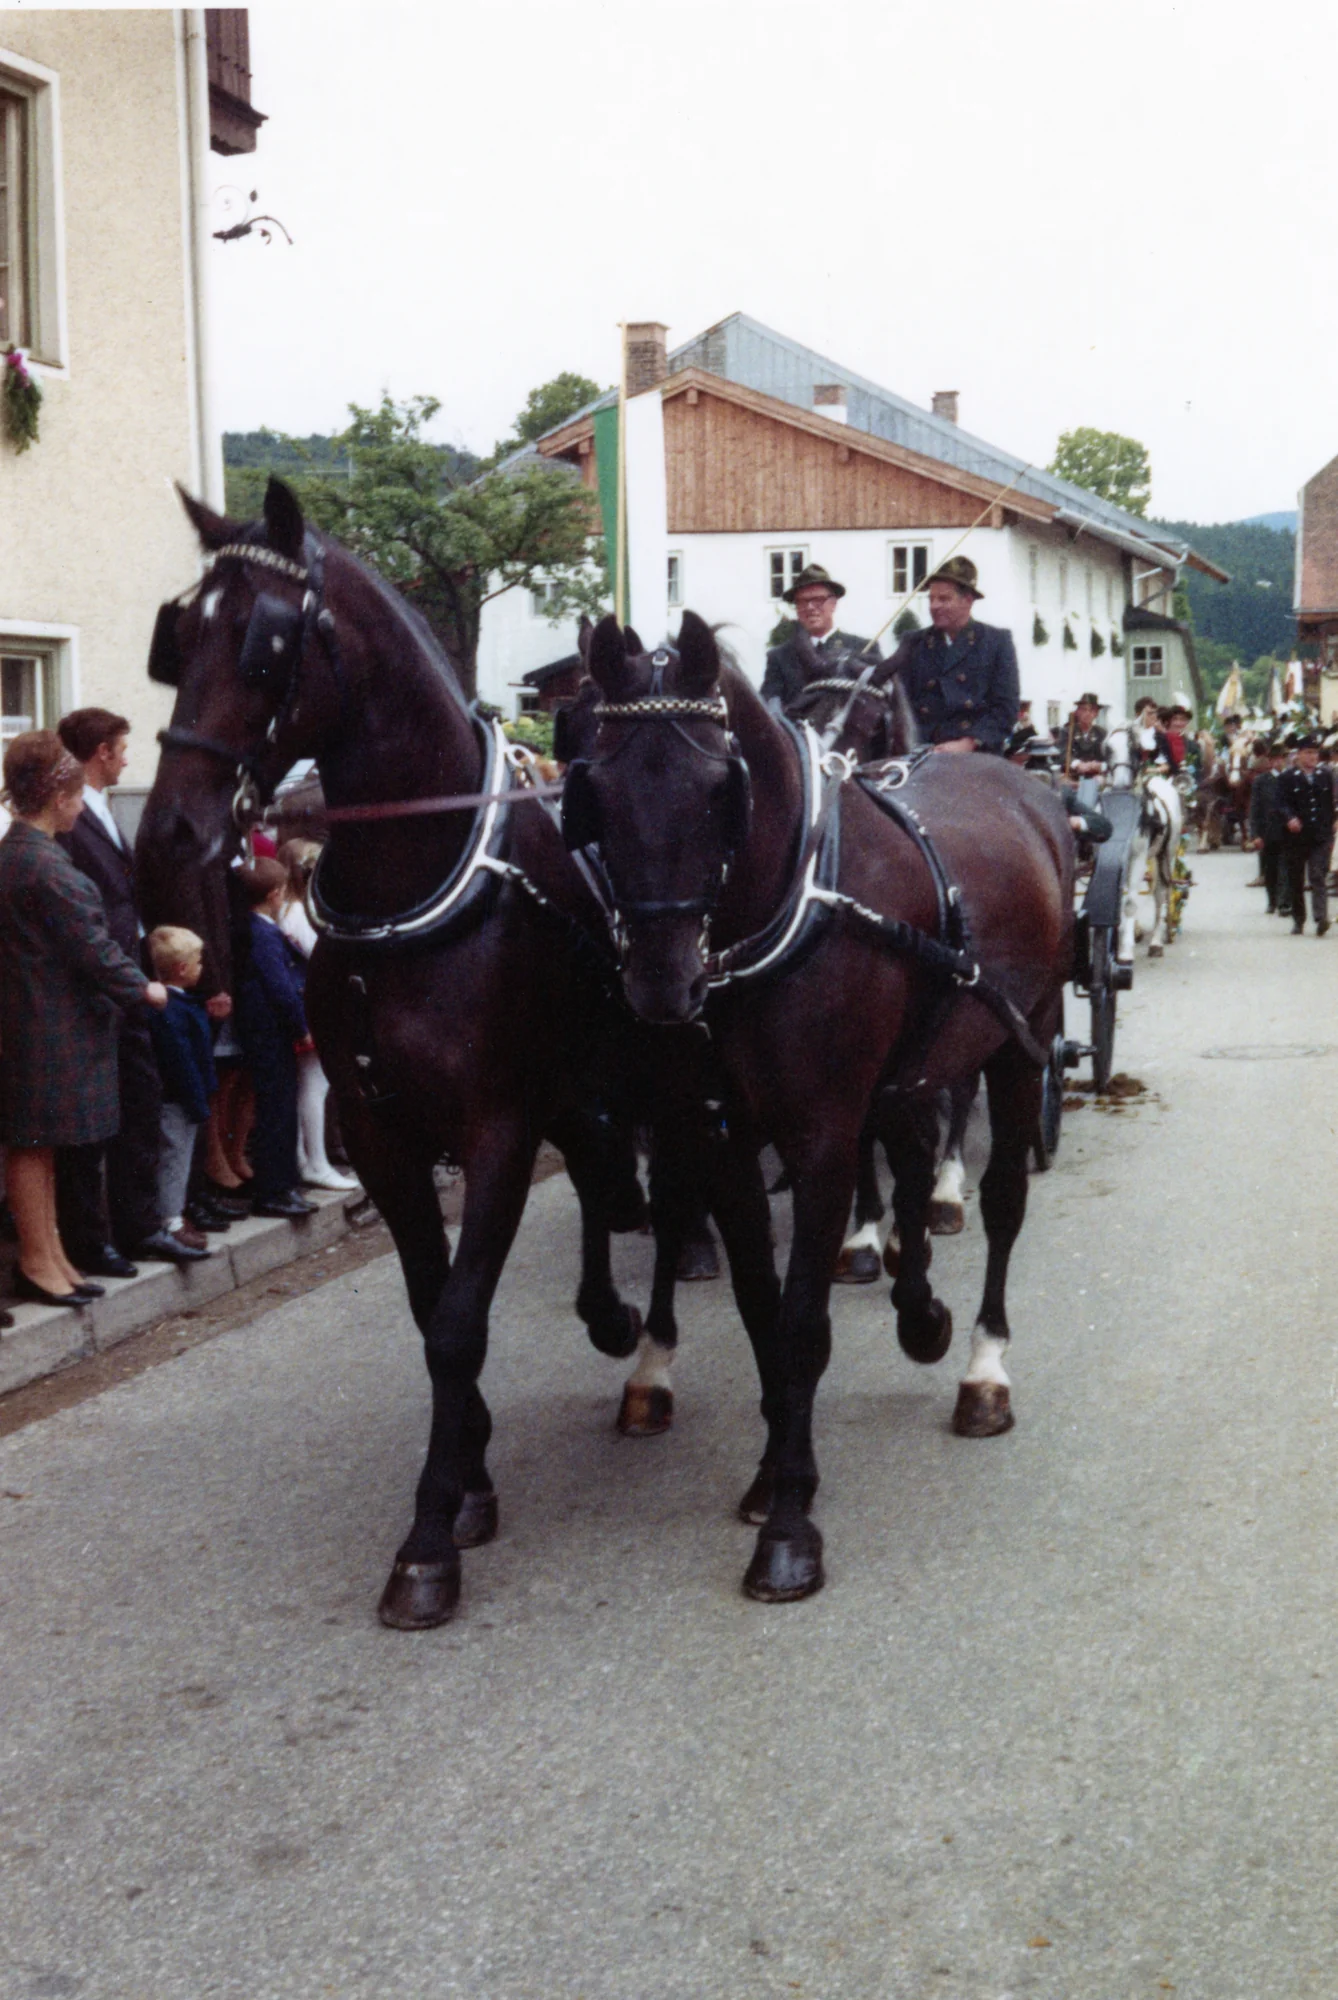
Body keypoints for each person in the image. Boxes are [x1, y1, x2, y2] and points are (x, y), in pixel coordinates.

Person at [0, 732, 168, 1309]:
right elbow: (92, 949)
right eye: (74, 798)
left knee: (39, 1147)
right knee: (32, 1146)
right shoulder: (44, 864)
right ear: (55, 799)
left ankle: (49, 1257)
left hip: (35, 1021)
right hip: (46, 1026)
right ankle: (38, 1261)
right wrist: (145, 989)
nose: (79, 807)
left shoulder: (21, 854)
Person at [53, 706, 176, 1275]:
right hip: (99, 985)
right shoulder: (70, 817)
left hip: (127, 978)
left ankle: (140, 1227)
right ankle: (92, 1241)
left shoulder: (96, 807)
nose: (127, 759)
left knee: (140, 1101)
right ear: (101, 751)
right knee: (94, 1121)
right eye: (122, 749)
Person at [234, 858, 317, 1219]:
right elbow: (281, 989)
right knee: (277, 1111)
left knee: (276, 1109)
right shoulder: (264, 934)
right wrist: (301, 1027)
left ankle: (282, 1185)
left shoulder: (250, 928)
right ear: (274, 894)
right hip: (270, 1033)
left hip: (262, 1031)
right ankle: (274, 1190)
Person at [275, 838, 358, 1191]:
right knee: (314, 1085)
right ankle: (315, 1162)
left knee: (308, 1086)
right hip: (308, 1001)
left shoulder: (293, 909)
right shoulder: (297, 913)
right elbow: (318, 953)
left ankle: (306, 1159)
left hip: (308, 999)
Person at [882, 555, 1018, 753]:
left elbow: (1005, 710)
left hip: (975, 756)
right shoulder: (913, 642)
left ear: (968, 601)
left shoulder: (996, 642)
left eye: (944, 599)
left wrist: (968, 743)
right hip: (920, 754)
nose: (934, 606)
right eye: (931, 599)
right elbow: (898, 703)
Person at [144, 927, 215, 1259]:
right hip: (179, 1099)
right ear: (183, 968)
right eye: (198, 961)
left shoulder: (180, 1004)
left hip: (183, 1096)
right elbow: (182, 1061)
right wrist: (198, 1100)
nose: (202, 967)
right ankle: (170, 1219)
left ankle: (175, 1213)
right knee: (175, 1157)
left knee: (179, 1156)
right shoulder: (172, 1010)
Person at [760, 565, 878, 708]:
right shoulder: (779, 657)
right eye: (802, 601)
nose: (810, 607)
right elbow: (770, 705)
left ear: (833, 604)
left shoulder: (863, 648)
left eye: (818, 600)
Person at [1278, 735, 1334, 935]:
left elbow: (1330, 801)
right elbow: (1280, 803)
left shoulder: (1325, 775)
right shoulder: (1287, 777)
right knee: (1296, 878)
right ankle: (1298, 919)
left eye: (1315, 752)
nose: (1312, 757)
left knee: (1318, 875)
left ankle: (1321, 918)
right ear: (1299, 755)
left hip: (1320, 834)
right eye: (1308, 753)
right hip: (1296, 836)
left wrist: (1333, 821)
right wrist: (1289, 818)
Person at [1248, 742, 1290, 914]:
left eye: (1282, 759)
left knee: (1285, 867)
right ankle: (1272, 899)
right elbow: (1255, 809)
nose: (1279, 763)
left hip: (1287, 831)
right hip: (1268, 831)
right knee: (1270, 868)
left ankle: (1284, 902)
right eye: (1276, 759)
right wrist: (1255, 834)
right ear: (1270, 761)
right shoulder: (1261, 781)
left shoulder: (1291, 779)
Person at [1056, 692, 1107, 778]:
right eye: (1083, 709)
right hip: (1073, 777)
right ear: (1078, 712)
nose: (1087, 713)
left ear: (1096, 714)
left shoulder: (1102, 733)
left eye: (1091, 710)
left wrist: (1100, 765)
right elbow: (1063, 754)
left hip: (1096, 777)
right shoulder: (1067, 732)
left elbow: (1109, 758)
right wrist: (1078, 764)